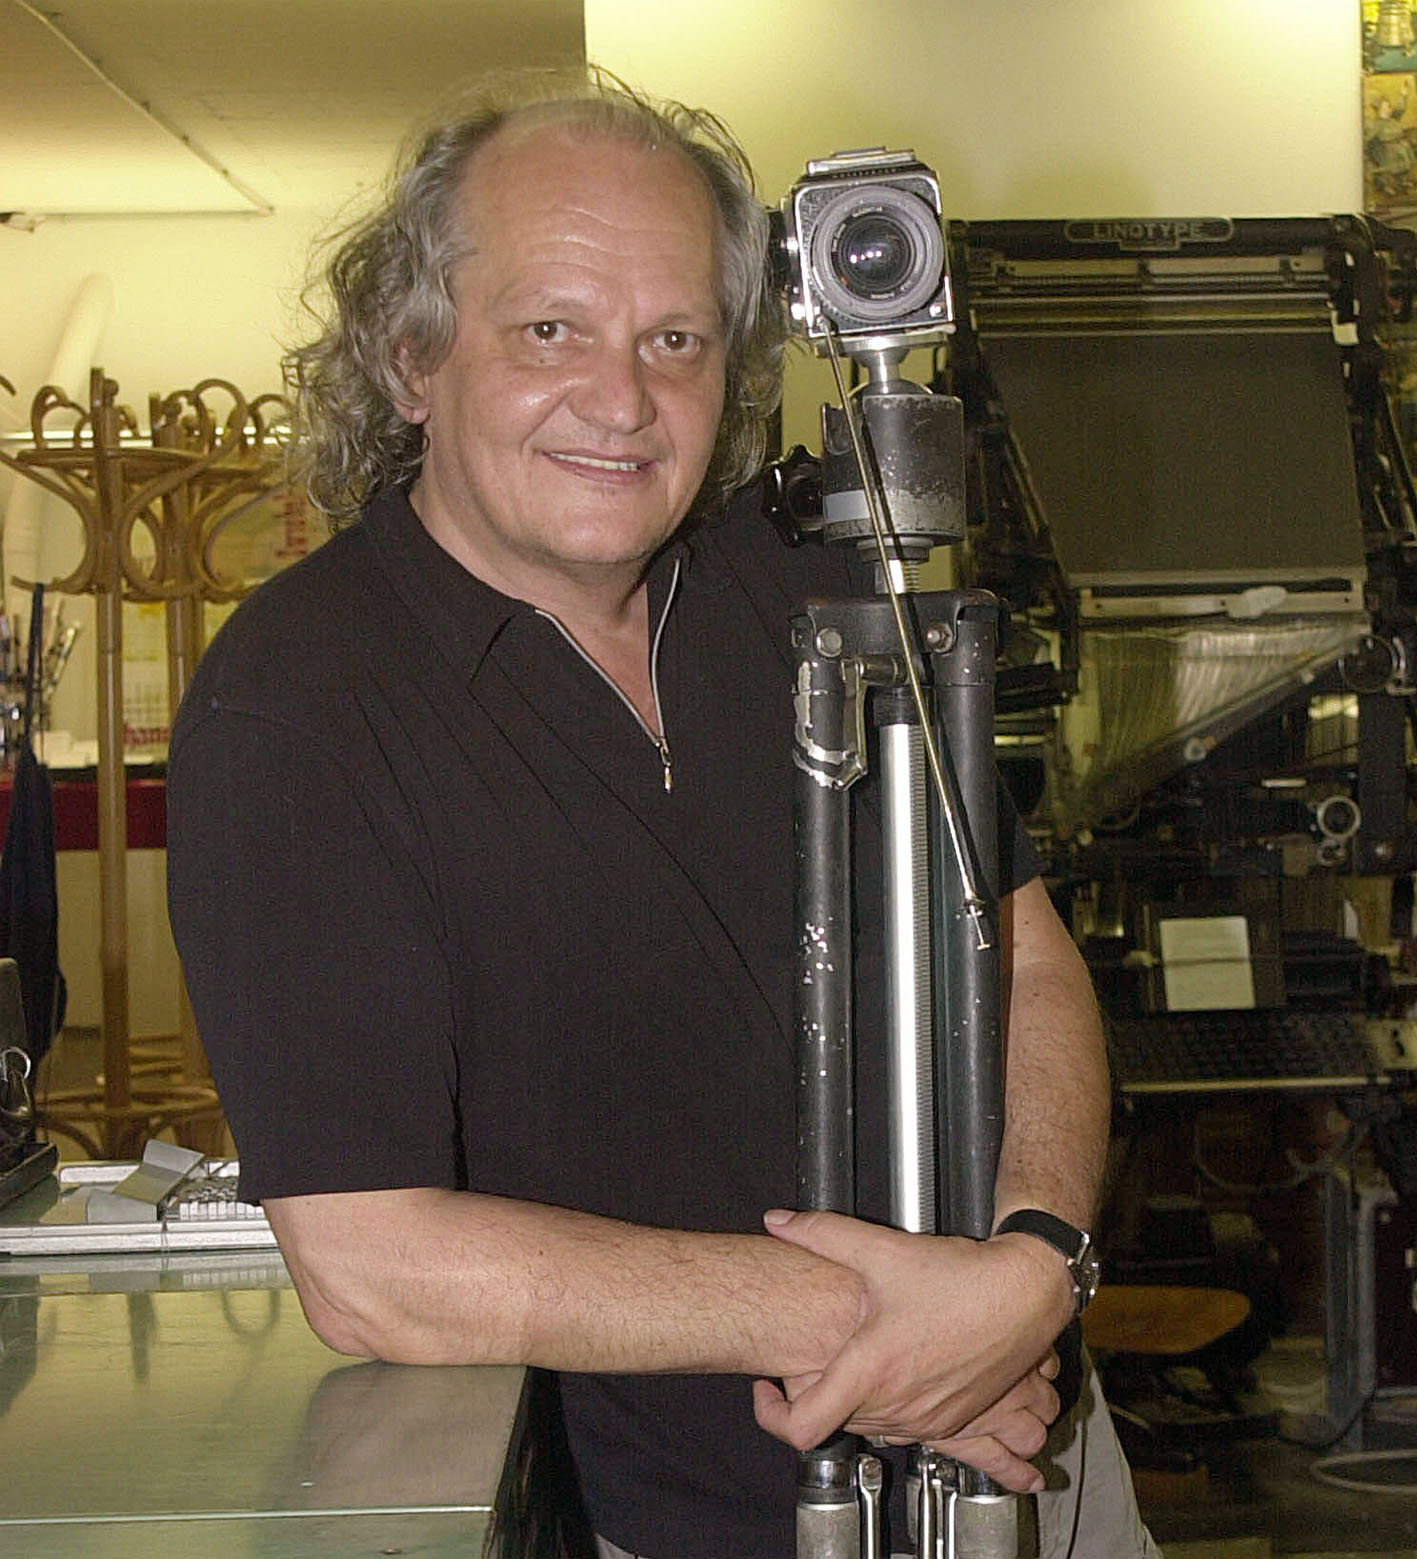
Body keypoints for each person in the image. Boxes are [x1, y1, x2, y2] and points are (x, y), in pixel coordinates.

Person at [165, 68, 1156, 1559]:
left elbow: (1018, 957)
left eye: (675, 339)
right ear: (412, 355)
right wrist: (897, 1332)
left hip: (1030, 1456)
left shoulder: (816, 591)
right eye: (549, 330)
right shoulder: (298, 704)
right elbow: (374, 1266)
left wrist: (1034, 1263)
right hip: (689, 1514)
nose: (623, 400)